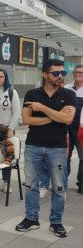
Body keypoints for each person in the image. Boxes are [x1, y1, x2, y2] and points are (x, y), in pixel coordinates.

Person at [15, 59, 76, 238]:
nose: (60, 76)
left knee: (58, 187)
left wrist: (42, 108)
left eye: (62, 73)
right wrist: (54, 116)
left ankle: (56, 222)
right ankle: (31, 218)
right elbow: (27, 120)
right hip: (33, 145)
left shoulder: (69, 94)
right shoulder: (32, 93)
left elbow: (67, 120)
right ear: (44, 74)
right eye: (55, 73)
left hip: (57, 148)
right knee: (30, 185)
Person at [64, 65, 83, 193]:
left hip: (81, 130)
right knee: (65, 157)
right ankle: (63, 183)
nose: (77, 74)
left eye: (81, 72)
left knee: (82, 158)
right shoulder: (66, 89)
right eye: (76, 72)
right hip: (66, 129)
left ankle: (81, 184)